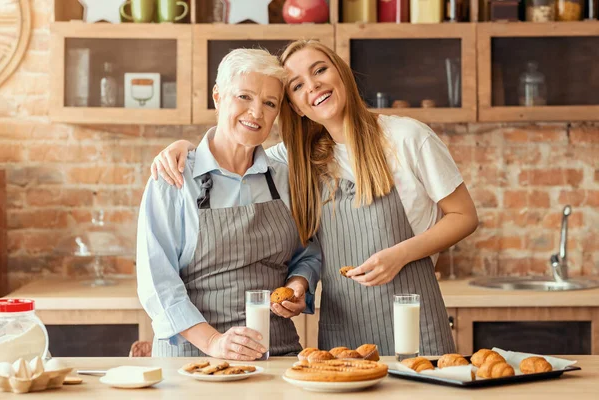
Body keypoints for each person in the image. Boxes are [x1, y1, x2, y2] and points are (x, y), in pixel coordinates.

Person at [150, 41, 478, 356]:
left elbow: (464, 216)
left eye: (320, 70)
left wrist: (399, 255)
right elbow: (236, 143)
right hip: (342, 331)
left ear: (341, 72)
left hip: (413, 321)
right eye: (296, 86)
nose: (313, 86)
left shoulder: (407, 137)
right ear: (294, 106)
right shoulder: (299, 158)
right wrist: (186, 149)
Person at [137, 48, 321, 360]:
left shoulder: (286, 177)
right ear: (218, 96)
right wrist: (213, 343)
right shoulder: (173, 176)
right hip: (194, 358)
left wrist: (299, 284)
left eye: (269, 103)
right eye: (244, 97)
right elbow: (157, 282)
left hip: (275, 353)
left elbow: (308, 252)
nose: (256, 113)